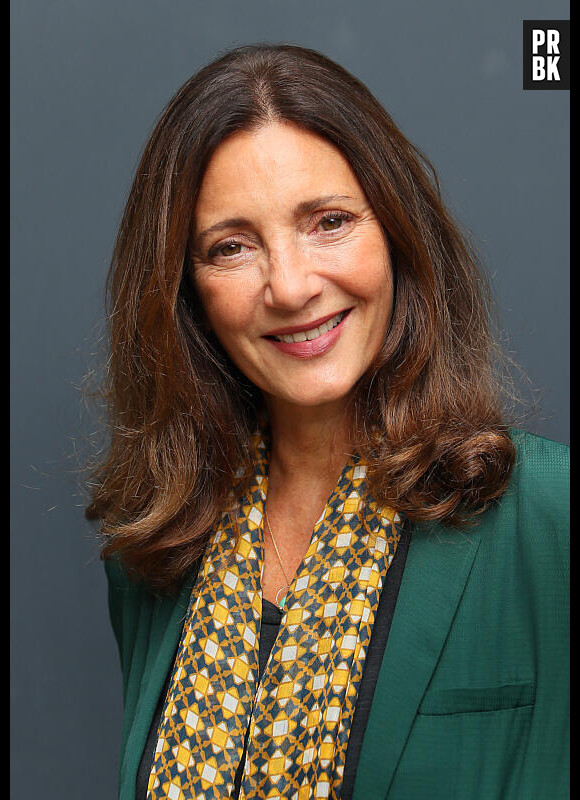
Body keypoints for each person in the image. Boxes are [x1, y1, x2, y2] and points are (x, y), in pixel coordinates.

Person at [87, 44, 569, 800]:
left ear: (398, 234)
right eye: (232, 247)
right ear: (187, 294)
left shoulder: (546, 514)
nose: (291, 285)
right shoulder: (156, 554)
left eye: (330, 222)